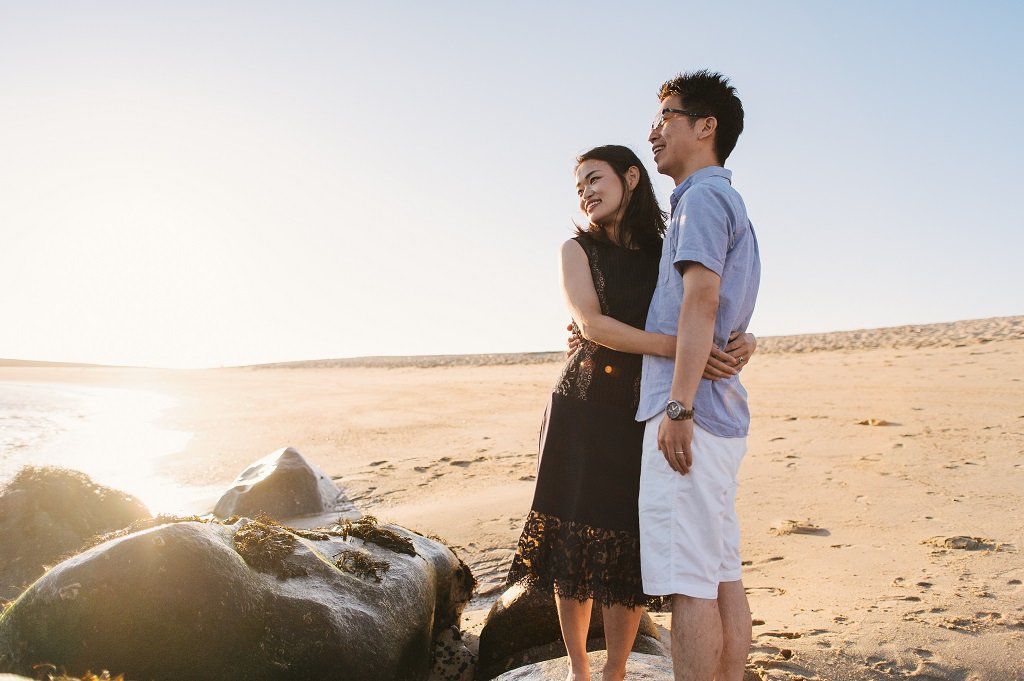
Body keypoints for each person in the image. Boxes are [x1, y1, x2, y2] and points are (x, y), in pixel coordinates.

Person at [505, 144, 756, 681]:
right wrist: (681, 347)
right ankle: (580, 670)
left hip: (645, 408)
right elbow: (592, 325)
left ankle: (616, 669)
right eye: (579, 188)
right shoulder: (576, 248)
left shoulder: (666, 248)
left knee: (626, 546)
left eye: (595, 179)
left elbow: (709, 296)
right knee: (574, 542)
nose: (587, 193)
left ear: (632, 177)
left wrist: (743, 338)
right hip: (584, 403)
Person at [636, 70, 762, 681]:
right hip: (723, 416)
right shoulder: (727, 200)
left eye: (666, 116)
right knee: (720, 575)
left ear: (704, 126)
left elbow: (703, 300)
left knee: (690, 585)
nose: (653, 131)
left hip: (695, 415)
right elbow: (728, 312)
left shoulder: (704, 199)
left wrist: (678, 407)